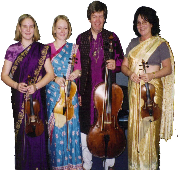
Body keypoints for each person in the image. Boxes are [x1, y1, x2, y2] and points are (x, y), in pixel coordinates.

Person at [121, 6, 174, 170]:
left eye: (145, 22)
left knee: (149, 130)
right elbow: (123, 66)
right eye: (138, 22)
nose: (141, 25)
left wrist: (152, 76)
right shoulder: (132, 43)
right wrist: (130, 74)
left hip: (151, 92)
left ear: (152, 23)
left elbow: (168, 68)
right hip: (136, 91)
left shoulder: (160, 44)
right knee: (135, 130)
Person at [1, 14, 54, 170]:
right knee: (22, 137)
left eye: (31, 26)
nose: (28, 29)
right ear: (19, 28)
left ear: (35, 29)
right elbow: (4, 75)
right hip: (19, 98)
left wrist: (36, 86)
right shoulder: (12, 49)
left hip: (38, 98)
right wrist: (17, 85)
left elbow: (50, 74)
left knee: (38, 135)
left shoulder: (42, 49)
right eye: (25, 26)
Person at [76, 1, 124, 169]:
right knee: (85, 125)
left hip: (107, 91)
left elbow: (122, 61)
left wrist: (115, 64)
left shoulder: (112, 37)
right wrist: (78, 93)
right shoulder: (81, 38)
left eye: (101, 16)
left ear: (105, 18)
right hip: (86, 89)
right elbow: (77, 67)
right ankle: (87, 162)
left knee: (109, 125)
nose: (97, 20)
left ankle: (109, 160)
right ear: (89, 19)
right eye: (94, 16)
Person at [46, 15, 83, 170]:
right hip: (54, 95)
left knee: (72, 129)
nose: (62, 31)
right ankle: (58, 165)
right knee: (57, 132)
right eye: (59, 27)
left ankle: (73, 165)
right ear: (54, 29)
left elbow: (79, 69)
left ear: (69, 31)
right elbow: (42, 73)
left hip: (70, 94)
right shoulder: (46, 49)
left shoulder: (74, 48)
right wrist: (54, 78)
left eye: (65, 28)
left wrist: (76, 73)